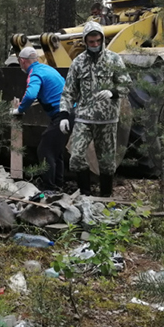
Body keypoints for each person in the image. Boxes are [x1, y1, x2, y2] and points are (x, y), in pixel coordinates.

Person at [58, 21, 130, 197]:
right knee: (76, 157)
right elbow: (68, 92)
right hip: (84, 118)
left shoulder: (114, 59)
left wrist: (112, 92)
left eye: (98, 41)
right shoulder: (78, 62)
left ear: (102, 39)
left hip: (107, 119)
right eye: (91, 42)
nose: (95, 45)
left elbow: (126, 85)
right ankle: (85, 195)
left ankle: (106, 197)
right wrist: (64, 114)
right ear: (85, 41)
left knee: (106, 161)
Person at [10, 46, 69, 191]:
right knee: (56, 151)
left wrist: (19, 109)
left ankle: (49, 188)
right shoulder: (48, 69)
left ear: (22, 61)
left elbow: (30, 95)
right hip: (70, 112)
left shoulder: (35, 73)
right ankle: (58, 185)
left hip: (61, 115)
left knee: (45, 149)